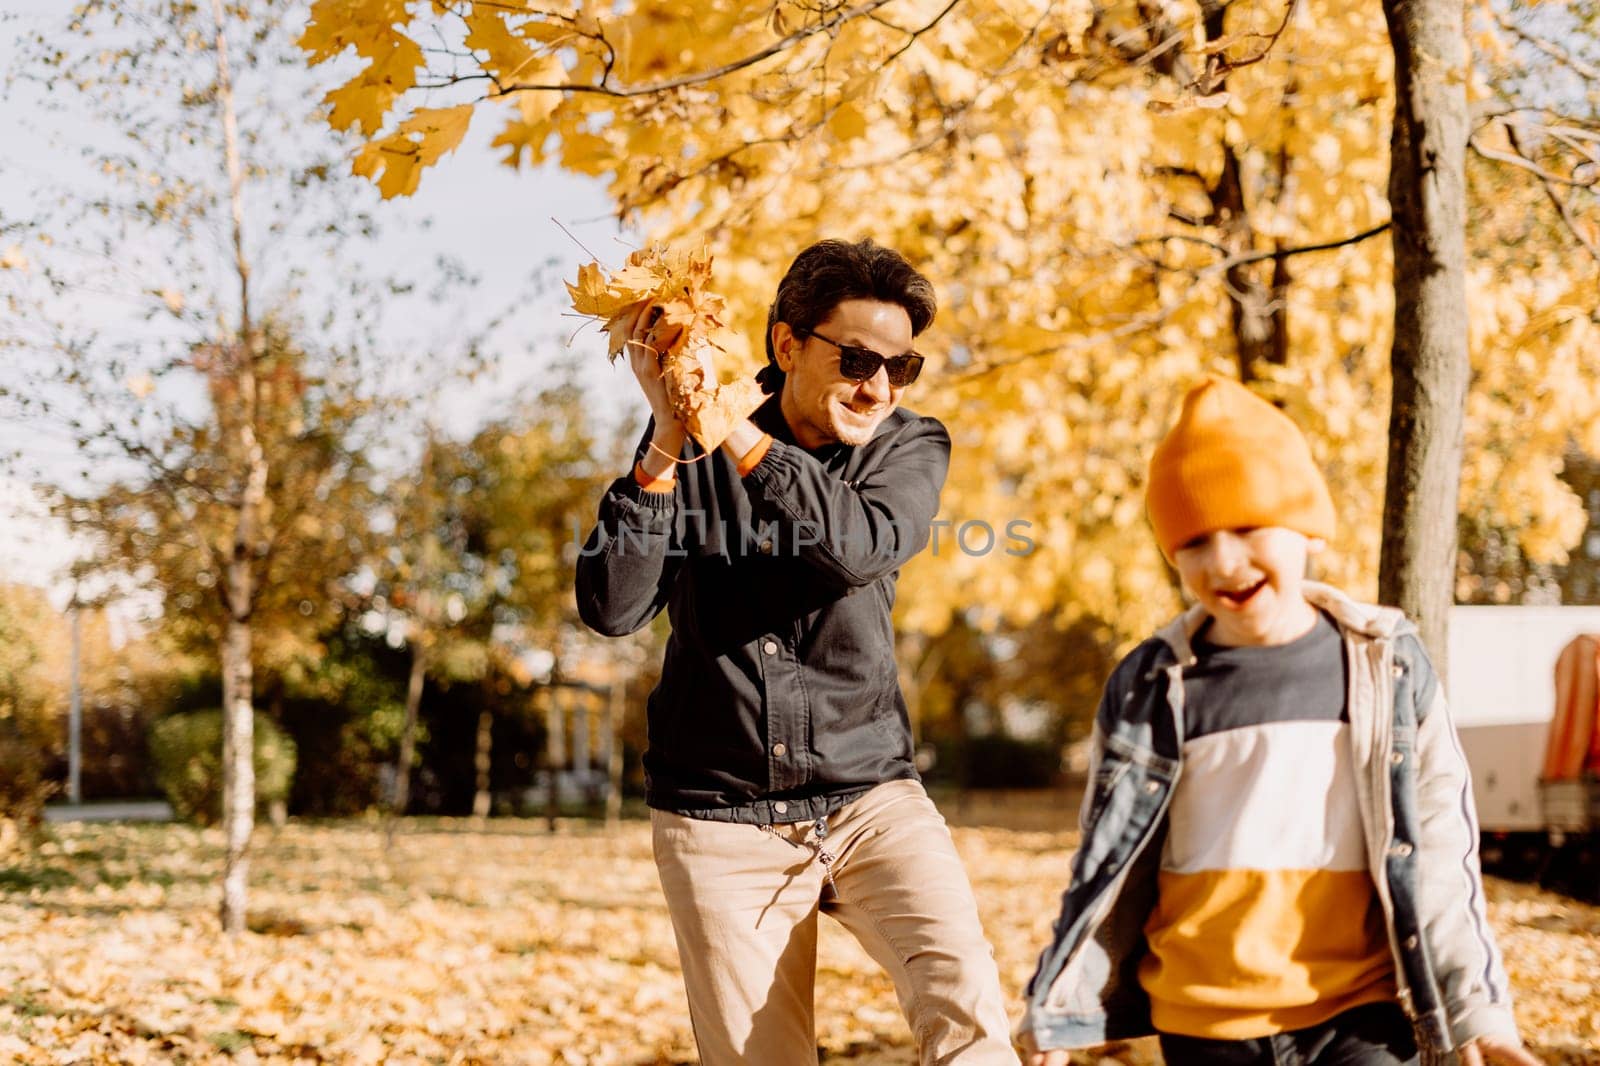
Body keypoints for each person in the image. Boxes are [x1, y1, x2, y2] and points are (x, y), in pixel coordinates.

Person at [575, 237, 1018, 1065]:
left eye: (901, 366)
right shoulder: (692, 441)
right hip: (717, 815)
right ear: (787, 345)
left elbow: (855, 547)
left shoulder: (908, 447)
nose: (877, 385)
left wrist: (737, 438)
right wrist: (668, 440)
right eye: (856, 358)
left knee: (970, 1018)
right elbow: (612, 607)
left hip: (870, 799)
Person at [1017, 376, 1540, 1066]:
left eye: (1246, 527)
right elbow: (1105, 864)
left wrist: (1475, 1011)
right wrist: (1057, 1007)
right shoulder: (1152, 683)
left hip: (1359, 1009)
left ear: (1305, 527)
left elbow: (1440, 849)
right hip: (1202, 1018)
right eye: (1195, 540)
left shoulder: (1387, 666)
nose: (1225, 561)